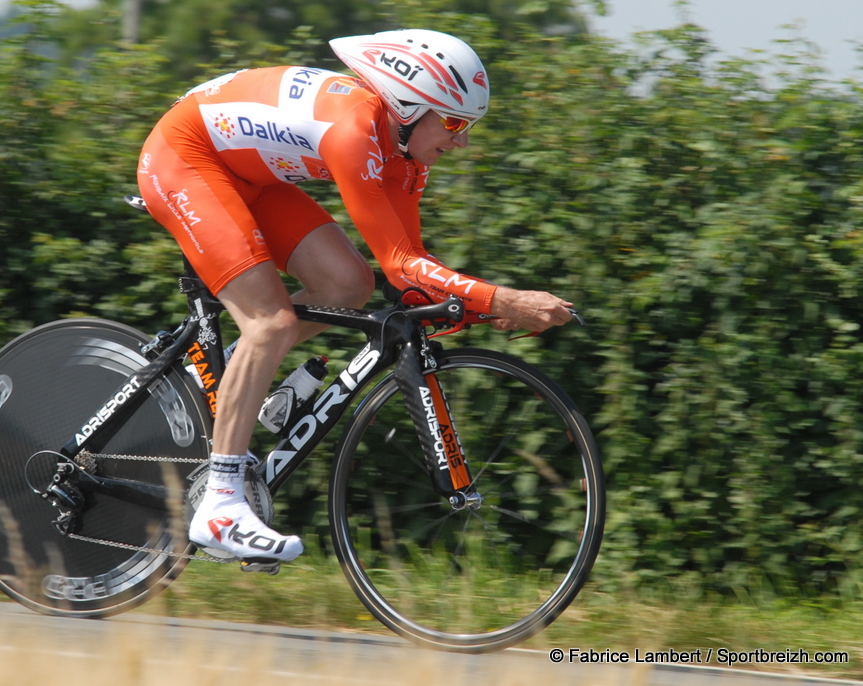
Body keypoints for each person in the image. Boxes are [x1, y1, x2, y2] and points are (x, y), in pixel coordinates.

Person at [136, 29, 574, 563]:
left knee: (349, 285)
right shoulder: (354, 134)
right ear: (410, 107)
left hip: (251, 177)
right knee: (269, 323)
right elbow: (405, 265)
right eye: (455, 123)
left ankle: (233, 375)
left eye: (469, 126)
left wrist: (485, 309)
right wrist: (502, 299)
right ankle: (221, 508)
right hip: (186, 159)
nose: (462, 141)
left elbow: (410, 275)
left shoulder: (405, 156)